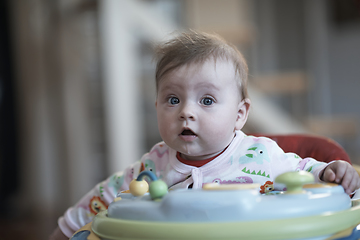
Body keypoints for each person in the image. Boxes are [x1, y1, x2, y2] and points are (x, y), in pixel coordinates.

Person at [49, 30, 360, 240]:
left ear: (239, 114)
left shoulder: (260, 154)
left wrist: (330, 172)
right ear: (157, 105)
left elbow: (303, 172)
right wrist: (66, 230)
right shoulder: (154, 165)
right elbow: (105, 196)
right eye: (173, 100)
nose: (186, 111)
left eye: (207, 101)